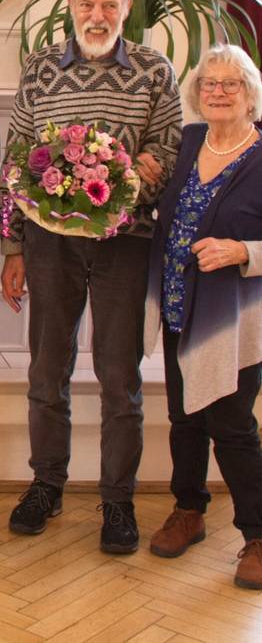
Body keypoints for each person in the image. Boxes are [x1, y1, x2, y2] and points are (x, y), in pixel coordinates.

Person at [0, 0, 182, 554]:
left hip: (125, 243)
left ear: (126, 10)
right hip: (50, 242)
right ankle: (46, 485)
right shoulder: (40, 68)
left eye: (108, 6)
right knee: (46, 370)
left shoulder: (155, 70)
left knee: (119, 376)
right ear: (71, 8)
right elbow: (16, 161)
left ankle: (117, 500)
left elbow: (168, 148)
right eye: (86, 5)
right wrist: (13, 247)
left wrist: (143, 175)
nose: (96, 16)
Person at [143, 44, 262, 590]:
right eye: (209, 83)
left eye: (230, 84)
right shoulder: (189, 141)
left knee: (232, 426)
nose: (218, 92)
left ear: (250, 94)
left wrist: (242, 251)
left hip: (235, 319)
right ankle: (188, 510)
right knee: (185, 417)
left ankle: (257, 535)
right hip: (178, 305)